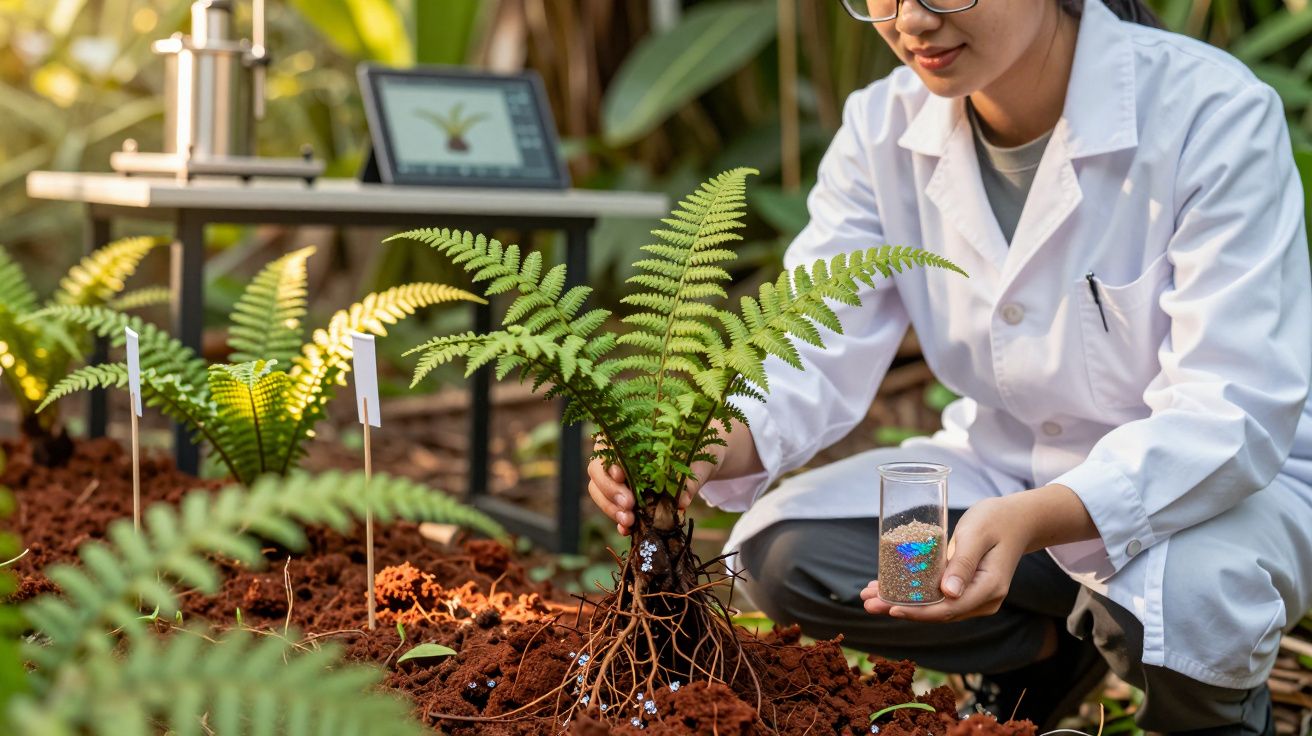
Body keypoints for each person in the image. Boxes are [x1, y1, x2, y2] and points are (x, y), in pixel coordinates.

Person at [588, 0, 1312, 732]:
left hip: (1216, 484)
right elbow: (810, 340)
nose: (910, 20)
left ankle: (1213, 718)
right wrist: (715, 437)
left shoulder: (1211, 114)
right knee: (785, 553)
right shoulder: (881, 129)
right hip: (1004, 468)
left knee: (1188, 592)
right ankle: (1037, 659)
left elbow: (1231, 407)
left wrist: (1036, 519)